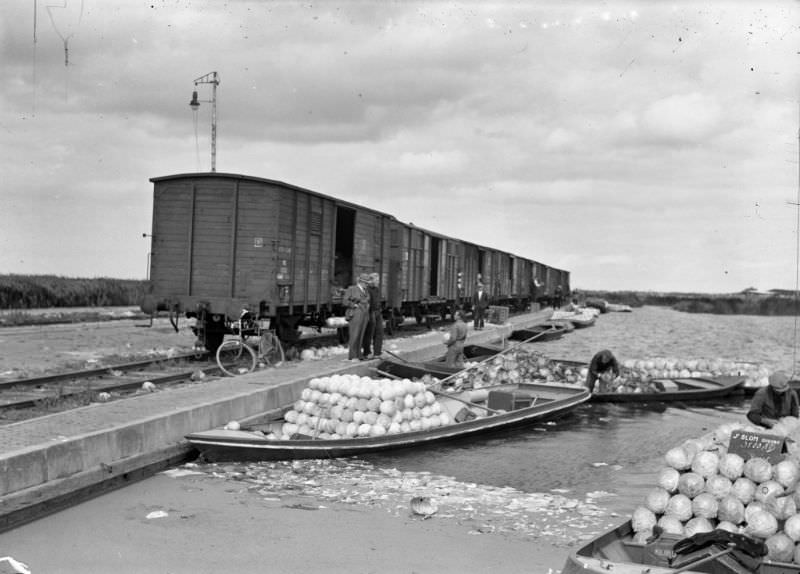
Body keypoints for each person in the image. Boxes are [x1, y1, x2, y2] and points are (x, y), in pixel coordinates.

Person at [344, 273, 371, 361]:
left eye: (367, 283)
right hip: (355, 314)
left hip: (364, 314)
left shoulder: (365, 291)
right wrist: (353, 305)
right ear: (361, 282)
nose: (367, 285)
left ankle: (359, 354)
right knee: (354, 335)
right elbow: (344, 301)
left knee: (361, 335)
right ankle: (353, 356)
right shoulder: (352, 289)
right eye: (366, 283)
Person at [361, 272, 384, 359]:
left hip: (377, 312)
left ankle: (377, 353)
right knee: (368, 333)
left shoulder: (377, 289)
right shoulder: (367, 290)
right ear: (372, 280)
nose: (378, 281)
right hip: (370, 313)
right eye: (377, 280)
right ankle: (366, 353)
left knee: (379, 332)